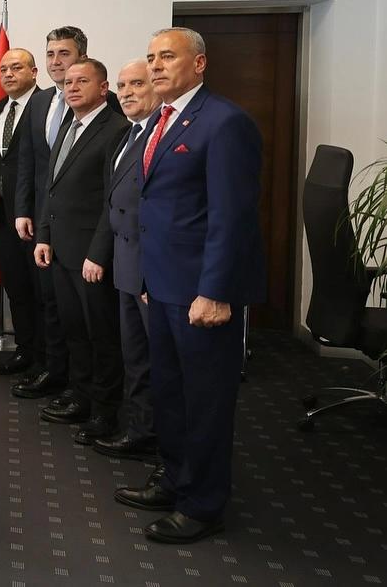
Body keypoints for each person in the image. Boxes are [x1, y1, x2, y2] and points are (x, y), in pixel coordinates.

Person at [114, 28, 264, 545]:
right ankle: (175, 481)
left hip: (203, 291)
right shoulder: (161, 119)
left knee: (205, 403)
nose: (155, 66)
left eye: (167, 57)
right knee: (171, 394)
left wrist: (215, 291)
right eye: (151, 57)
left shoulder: (224, 122)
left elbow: (232, 216)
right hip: (162, 285)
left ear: (198, 64)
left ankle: (203, 505)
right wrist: (148, 279)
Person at [33, 58, 130, 447]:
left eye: (82, 81)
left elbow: (112, 200)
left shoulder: (117, 130)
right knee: (74, 330)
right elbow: (52, 187)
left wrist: (99, 253)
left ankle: (105, 411)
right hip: (61, 249)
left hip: (92, 256)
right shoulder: (68, 126)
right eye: (68, 82)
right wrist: (44, 234)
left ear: (103, 88)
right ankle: (81, 395)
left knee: (101, 335)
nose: (72, 88)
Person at [12, 26, 91, 399]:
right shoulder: (39, 101)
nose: (56, 61)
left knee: (78, 310)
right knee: (49, 300)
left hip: (81, 225)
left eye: (64, 53)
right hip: (41, 220)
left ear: (82, 57)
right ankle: (54, 370)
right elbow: (27, 161)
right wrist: (22, 210)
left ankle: (80, 383)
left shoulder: (100, 101)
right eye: (50, 54)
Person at [89, 59, 161, 462]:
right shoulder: (128, 135)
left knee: (159, 361)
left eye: (137, 83)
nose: (128, 92)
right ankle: (141, 430)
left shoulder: (161, 134)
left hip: (152, 270)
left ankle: (165, 446)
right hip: (126, 263)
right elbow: (113, 201)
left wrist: (153, 274)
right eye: (122, 85)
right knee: (135, 357)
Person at [0, 48, 52, 376]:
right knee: (16, 288)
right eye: (3, 69)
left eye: (16, 68)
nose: (8, 75)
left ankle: (47, 359)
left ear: (34, 72)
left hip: (36, 215)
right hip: (3, 214)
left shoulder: (48, 105)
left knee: (42, 291)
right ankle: (25, 350)